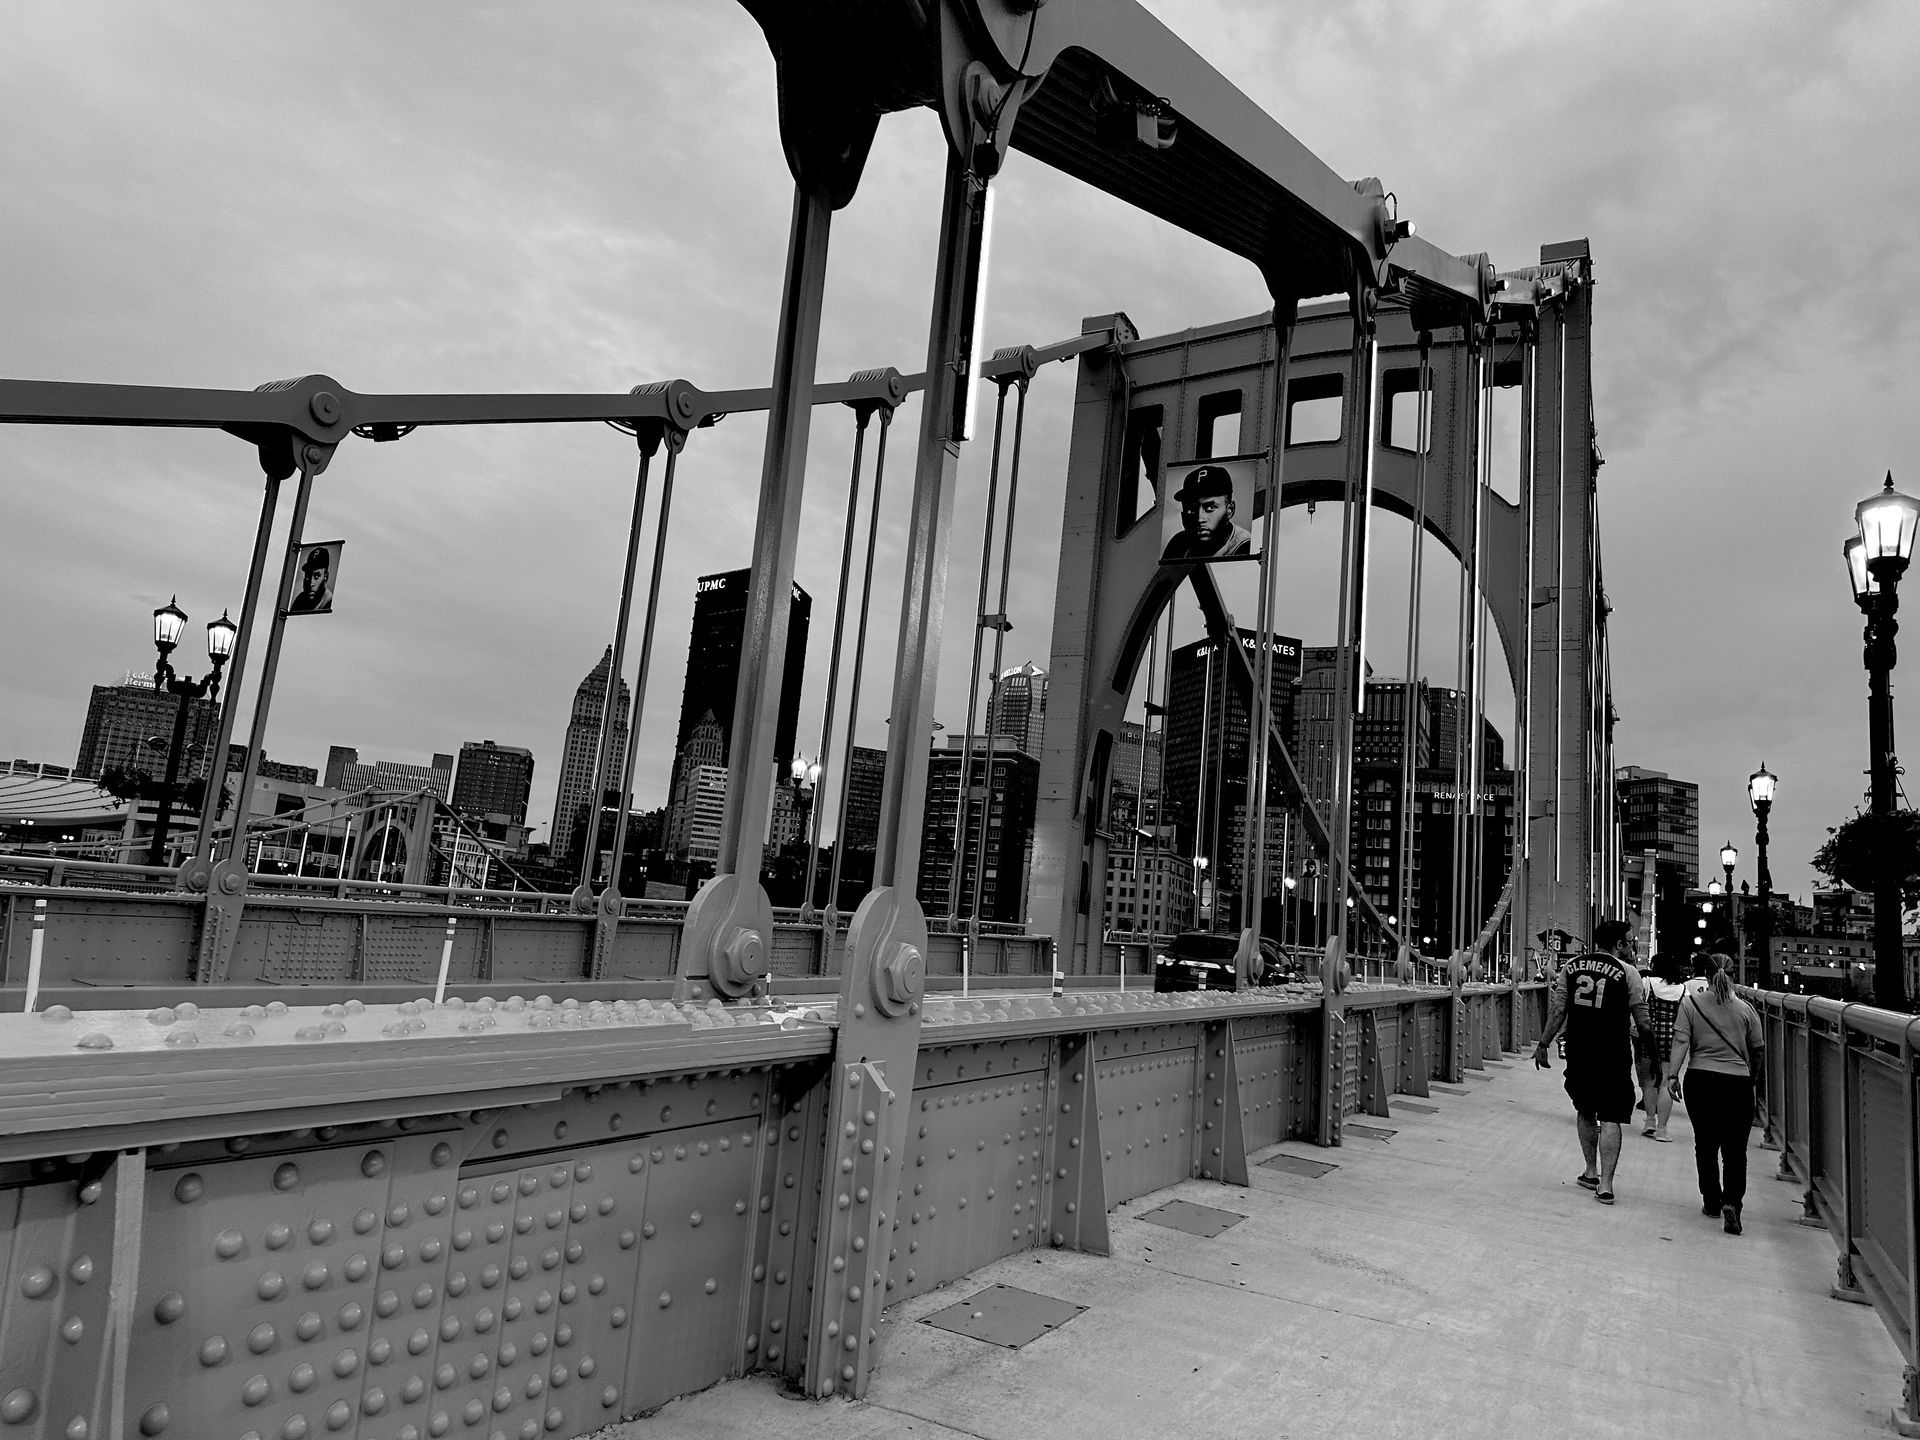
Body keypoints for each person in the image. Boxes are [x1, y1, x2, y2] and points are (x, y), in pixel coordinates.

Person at [1532, 918, 1654, 1205]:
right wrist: (1654, 1058)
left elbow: (1559, 1009)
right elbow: (1643, 1020)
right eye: (1628, 940)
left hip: (1580, 1050)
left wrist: (1543, 1044)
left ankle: (1590, 1171)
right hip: (1614, 1052)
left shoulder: (1571, 967)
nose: (1631, 945)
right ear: (1619, 944)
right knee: (1611, 1115)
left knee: (1585, 1110)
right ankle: (1607, 1185)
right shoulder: (1629, 972)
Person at [1668, 952, 1766, 1235]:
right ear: (1734, 976)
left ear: (1707, 975)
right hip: (1737, 1083)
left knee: (1705, 1144)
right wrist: (1753, 1078)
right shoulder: (1746, 1009)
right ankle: (1732, 1203)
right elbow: (1758, 1049)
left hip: (1701, 1080)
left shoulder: (1691, 1004)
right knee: (1736, 1151)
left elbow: (1681, 1040)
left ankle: (1711, 1201)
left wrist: (1673, 1076)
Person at [1640, 954, 1689, 1142]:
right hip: (1673, 1039)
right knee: (1666, 1082)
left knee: (1649, 1080)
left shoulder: (1647, 983)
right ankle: (1662, 1129)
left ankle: (1650, 1121)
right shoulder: (1683, 990)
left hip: (1649, 1036)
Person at [1161, 464, 1252, 561]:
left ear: (1230, 509)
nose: (1200, 518)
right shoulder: (1179, 542)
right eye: (1191, 509)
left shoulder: (1245, 547)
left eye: (1209, 508)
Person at [287, 545, 334, 614]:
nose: (311, 583)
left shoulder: (329, 602)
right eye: (308, 575)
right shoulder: (301, 598)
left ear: (325, 577)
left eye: (317, 576)